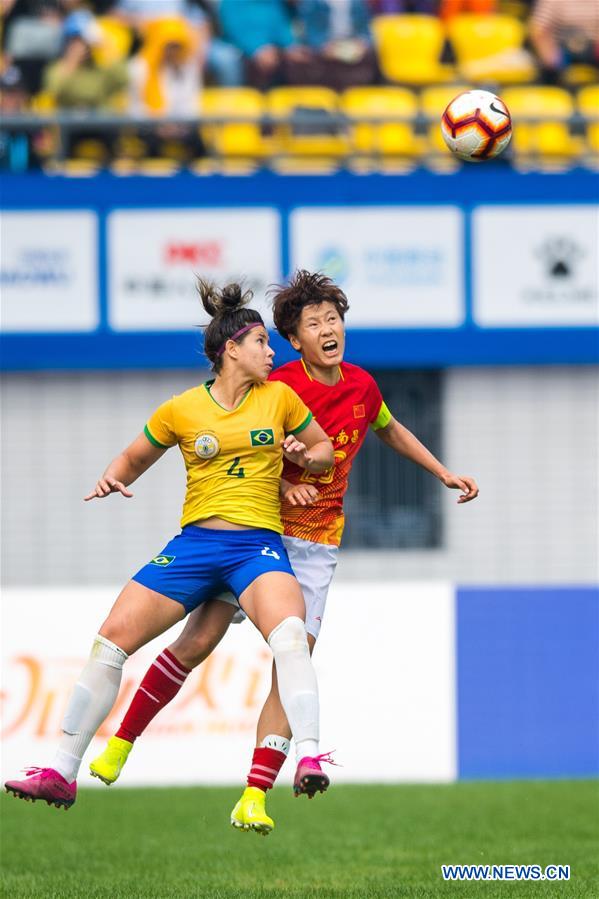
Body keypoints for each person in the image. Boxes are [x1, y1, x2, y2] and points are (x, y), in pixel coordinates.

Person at [89, 270, 479, 835]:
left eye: (333, 318)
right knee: (196, 641)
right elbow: (231, 445)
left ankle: (254, 795)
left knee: (291, 664)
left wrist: (443, 472)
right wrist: (279, 484)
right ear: (293, 340)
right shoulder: (275, 381)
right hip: (254, 536)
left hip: (316, 546)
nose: (328, 328)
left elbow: (390, 430)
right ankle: (120, 744)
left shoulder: (363, 386)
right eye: (313, 322)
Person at [4, 280, 335, 811]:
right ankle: (62, 772)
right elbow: (133, 457)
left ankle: (311, 755)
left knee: (291, 637)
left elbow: (324, 450)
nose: (273, 353)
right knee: (110, 641)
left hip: (257, 548)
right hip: (195, 546)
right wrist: (112, 476)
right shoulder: (181, 409)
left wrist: (308, 456)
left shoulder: (280, 399)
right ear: (232, 349)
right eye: (262, 344)